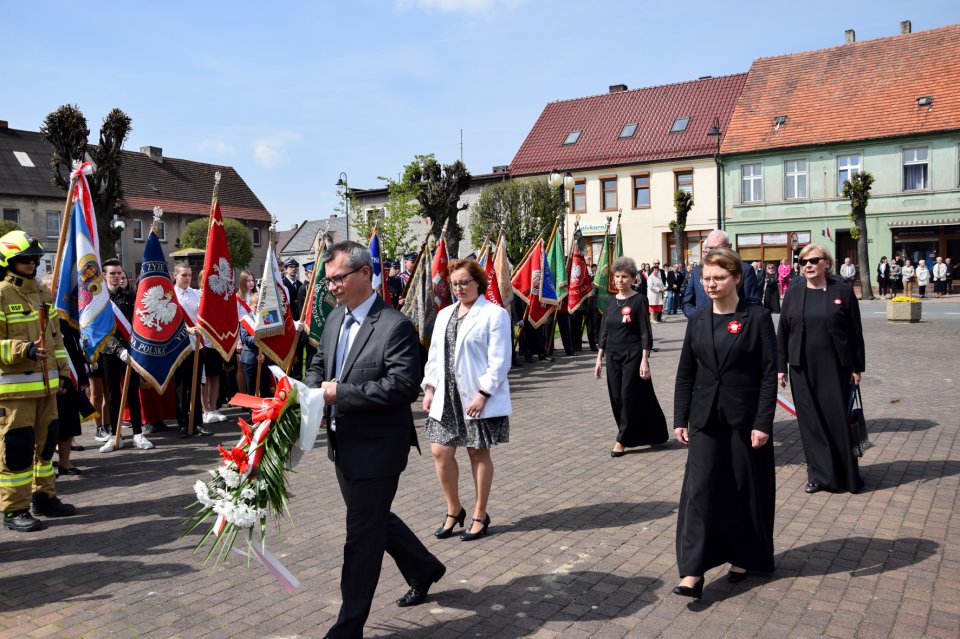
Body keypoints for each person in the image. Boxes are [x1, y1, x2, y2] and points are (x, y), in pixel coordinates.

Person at [304, 240, 445, 637]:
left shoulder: (394, 325)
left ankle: (347, 628)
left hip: (379, 448)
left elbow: (403, 386)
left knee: (361, 537)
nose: (332, 286)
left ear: (365, 274)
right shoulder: (334, 319)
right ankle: (424, 567)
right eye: (328, 280)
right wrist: (314, 394)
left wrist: (339, 394)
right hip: (342, 444)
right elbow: (319, 364)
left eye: (339, 278)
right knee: (374, 520)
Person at [672, 247, 777, 598]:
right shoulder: (698, 319)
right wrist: (680, 418)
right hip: (704, 418)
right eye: (706, 279)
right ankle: (692, 571)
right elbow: (686, 372)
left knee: (743, 489)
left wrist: (763, 422)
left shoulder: (757, 317)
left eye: (718, 277)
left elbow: (767, 374)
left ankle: (744, 555)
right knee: (699, 491)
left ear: (735, 277)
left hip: (744, 420)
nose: (711, 284)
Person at [422, 259, 511, 543]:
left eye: (464, 283)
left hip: (476, 396)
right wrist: (429, 387)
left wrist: (484, 394)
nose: (459, 288)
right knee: (440, 452)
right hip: (446, 395)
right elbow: (435, 355)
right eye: (454, 284)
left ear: (478, 283)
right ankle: (454, 509)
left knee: (477, 453)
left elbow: (500, 360)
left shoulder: (494, 314)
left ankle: (479, 513)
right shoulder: (445, 314)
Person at [0, 231, 77, 531]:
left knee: (46, 447)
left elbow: (56, 339)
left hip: (48, 388)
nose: (31, 263)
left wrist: (65, 373)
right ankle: (13, 510)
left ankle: (43, 497)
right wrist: (24, 349)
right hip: (15, 393)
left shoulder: (44, 295)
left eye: (34, 258)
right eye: (24, 259)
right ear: (9, 261)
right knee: (16, 451)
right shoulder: (3, 294)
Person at [778, 244, 865, 495]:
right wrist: (780, 367)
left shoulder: (843, 292)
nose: (807, 265)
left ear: (826, 263)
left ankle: (847, 475)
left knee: (837, 420)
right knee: (811, 423)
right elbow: (783, 331)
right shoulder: (794, 293)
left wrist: (857, 366)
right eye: (803, 261)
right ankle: (818, 475)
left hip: (836, 367)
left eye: (814, 260)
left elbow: (855, 333)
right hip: (801, 367)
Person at [594, 257, 668, 457]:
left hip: (633, 355)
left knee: (627, 395)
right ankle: (642, 432)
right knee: (617, 397)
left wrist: (645, 359)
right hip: (613, 355)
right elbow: (604, 331)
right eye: (617, 276)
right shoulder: (610, 301)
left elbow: (645, 331)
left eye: (624, 276)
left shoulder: (638, 300)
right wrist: (599, 357)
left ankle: (622, 440)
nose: (619, 280)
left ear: (633, 278)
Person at [99, 259, 153, 452]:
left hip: (130, 352)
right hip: (109, 352)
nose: (116, 277)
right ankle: (115, 435)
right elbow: (100, 330)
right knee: (113, 395)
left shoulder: (130, 297)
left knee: (132, 393)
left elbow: (138, 325)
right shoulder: (99, 300)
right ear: (104, 275)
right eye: (112, 273)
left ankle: (138, 433)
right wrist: (117, 349)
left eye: (119, 273)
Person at [171, 263, 213, 439]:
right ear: (175, 276)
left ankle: (197, 423)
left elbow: (206, 314)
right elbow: (169, 322)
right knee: (181, 387)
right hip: (180, 346)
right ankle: (182, 423)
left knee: (195, 385)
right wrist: (186, 329)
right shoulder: (170, 297)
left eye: (189, 275)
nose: (187, 278)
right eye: (184, 275)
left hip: (197, 344)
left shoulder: (197, 294)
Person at [683, 229, 761, 317]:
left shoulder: (744, 269)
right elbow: (687, 303)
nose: (713, 252)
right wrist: (698, 318)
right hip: (702, 326)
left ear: (729, 247)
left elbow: (754, 303)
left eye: (718, 248)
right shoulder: (697, 270)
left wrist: (733, 321)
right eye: (710, 248)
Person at [239, 293, 272, 397]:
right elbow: (245, 339)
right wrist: (258, 337)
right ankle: (251, 411)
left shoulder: (267, 317)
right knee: (251, 388)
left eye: (261, 307)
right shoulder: (245, 320)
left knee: (265, 389)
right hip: (251, 359)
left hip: (265, 358)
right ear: (250, 305)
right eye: (256, 306)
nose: (258, 309)